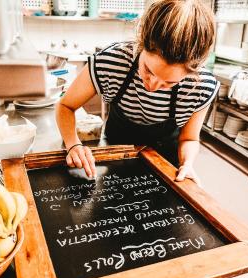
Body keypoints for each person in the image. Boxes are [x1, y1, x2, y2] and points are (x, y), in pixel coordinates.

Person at [56, 0, 218, 184]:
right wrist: (73, 144)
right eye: (148, 70)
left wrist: (187, 163)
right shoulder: (111, 62)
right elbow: (65, 105)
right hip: (114, 159)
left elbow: (189, 138)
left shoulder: (200, 87)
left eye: (169, 82)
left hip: (165, 168)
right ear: (142, 44)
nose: (153, 86)